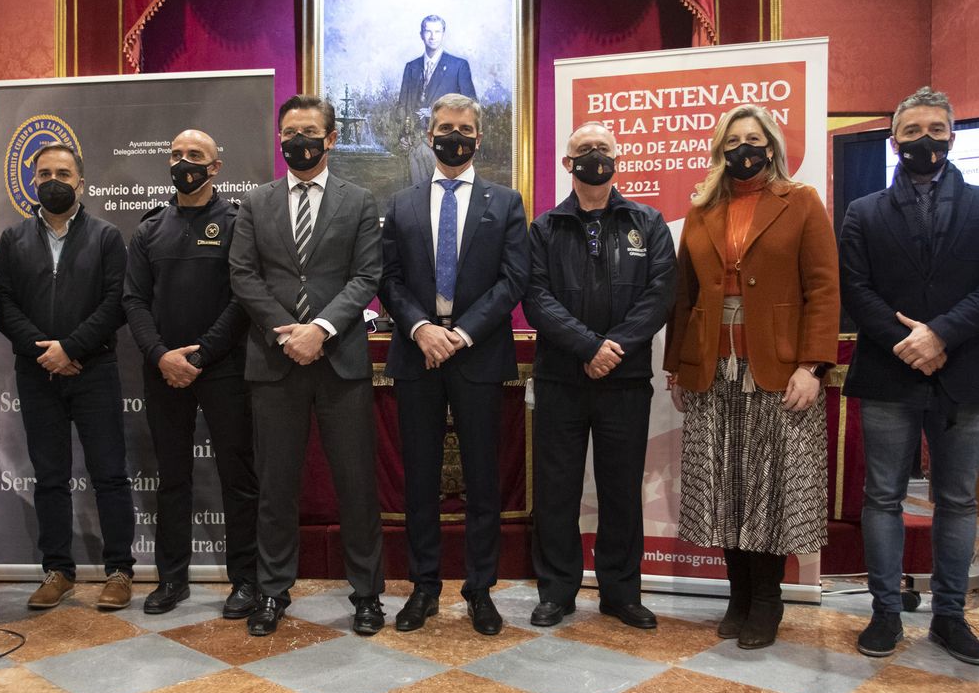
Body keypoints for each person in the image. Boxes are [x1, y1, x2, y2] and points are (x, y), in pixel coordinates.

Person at [839, 85, 979, 666]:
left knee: (958, 501)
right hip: (889, 374)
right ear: (894, 142)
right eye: (911, 132)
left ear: (952, 136)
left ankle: (950, 617)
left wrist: (939, 335)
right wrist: (908, 344)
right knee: (883, 497)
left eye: (935, 130)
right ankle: (886, 613)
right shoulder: (862, 211)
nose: (924, 141)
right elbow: (856, 290)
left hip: (963, 369)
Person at [664, 106, 840, 649]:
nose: (745, 148)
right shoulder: (700, 210)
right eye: (734, 140)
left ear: (771, 146)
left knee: (771, 489)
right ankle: (738, 595)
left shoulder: (802, 201)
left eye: (754, 139)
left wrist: (812, 366)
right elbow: (683, 296)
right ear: (721, 150)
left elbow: (824, 289)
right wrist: (678, 365)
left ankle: (768, 601)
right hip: (714, 369)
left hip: (780, 369)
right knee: (725, 489)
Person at [229, 95, 385, 636]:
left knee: (356, 485)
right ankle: (273, 592)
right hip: (274, 363)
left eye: (310, 132)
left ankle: (366, 594)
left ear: (332, 138)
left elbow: (367, 277)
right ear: (280, 139)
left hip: (340, 361)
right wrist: (288, 333)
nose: (300, 140)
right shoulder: (254, 202)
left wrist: (319, 330)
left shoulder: (360, 200)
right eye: (290, 132)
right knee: (275, 486)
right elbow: (244, 277)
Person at [379, 93, 529, 636]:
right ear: (428, 134)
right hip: (416, 354)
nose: (454, 136)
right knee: (419, 478)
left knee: (482, 480)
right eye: (445, 127)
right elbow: (387, 279)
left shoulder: (506, 202)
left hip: (479, 355)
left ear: (479, 137)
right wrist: (421, 328)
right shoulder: (400, 204)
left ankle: (479, 591)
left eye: (464, 128)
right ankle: (423, 587)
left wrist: (460, 333)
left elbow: (514, 280)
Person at [524, 123, 675, 630]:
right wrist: (588, 346)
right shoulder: (544, 228)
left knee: (620, 489)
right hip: (561, 380)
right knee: (557, 489)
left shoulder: (647, 222)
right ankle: (558, 590)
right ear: (568, 165)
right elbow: (537, 297)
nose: (594, 157)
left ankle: (620, 592)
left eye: (602, 149)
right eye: (583, 151)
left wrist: (615, 348)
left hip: (626, 380)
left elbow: (660, 293)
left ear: (618, 157)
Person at [0, 143, 135, 612]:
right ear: (33, 181)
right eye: (45, 173)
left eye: (63, 173)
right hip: (38, 374)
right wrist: (46, 352)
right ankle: (57, 571)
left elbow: (116, 302)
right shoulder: (14, 239)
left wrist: (71, 349)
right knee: (49, 475)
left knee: (109, 474)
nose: (53, 180)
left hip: (94, 370)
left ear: (81, 182)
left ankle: (119, 571)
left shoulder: (106, 237)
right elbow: (3, 303)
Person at [124, 130, 258, 617]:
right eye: (177, 155)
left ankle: (246, 580)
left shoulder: (238, 222)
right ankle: (171, 580)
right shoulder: (149, 229)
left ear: (216, 166)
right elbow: (134, 300)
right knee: (172, 478)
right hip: (163, 372)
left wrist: (201, 357)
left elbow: (244, 296)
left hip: (225, 370)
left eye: (195, 156)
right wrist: (163, 356)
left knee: (238, 478)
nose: (184, 163)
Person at [398, 15, 475, 122]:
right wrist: (404, 134)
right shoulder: (411, 67)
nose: (432, 36)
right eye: (428, 31)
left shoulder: (459, 66)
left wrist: (436, 113)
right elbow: (402, 106)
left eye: (437, 32)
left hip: (446, 135)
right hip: (413, 136)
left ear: (443, 34)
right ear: (421, 35)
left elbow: (471, 107)